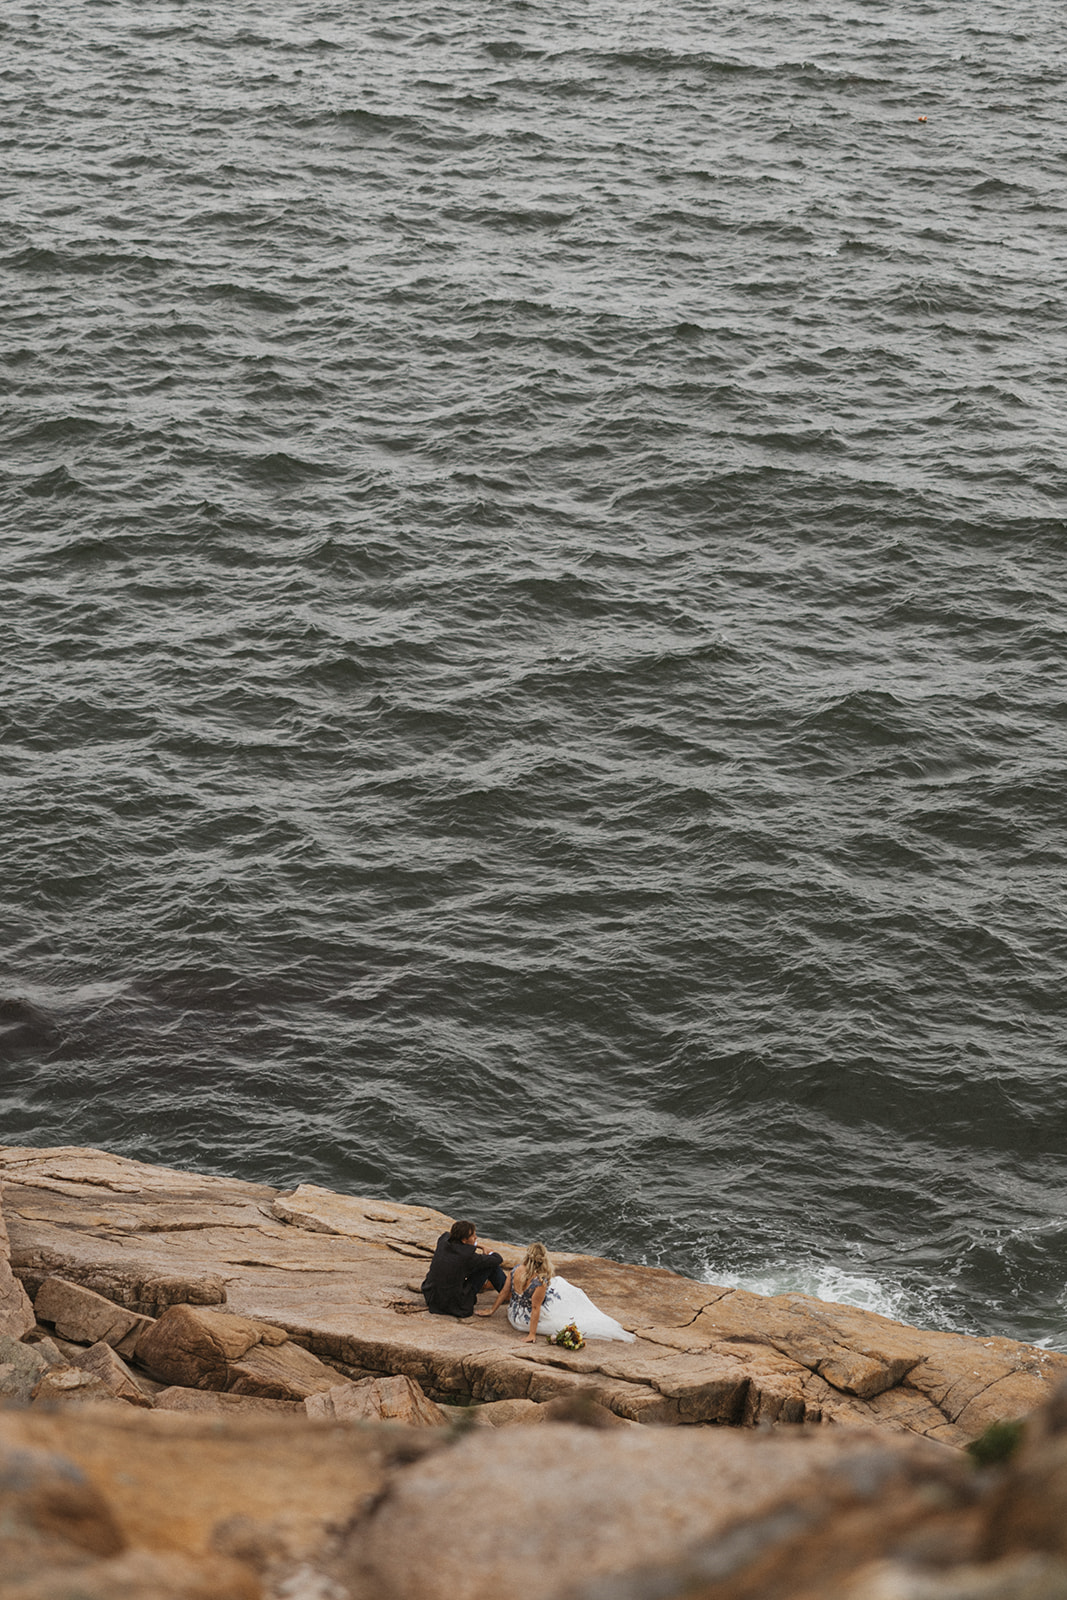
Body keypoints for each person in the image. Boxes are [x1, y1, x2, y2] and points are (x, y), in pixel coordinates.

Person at [477, 1240, 635, 1343]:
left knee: (558, 1283)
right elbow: (535, 1308)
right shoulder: (541, 1281)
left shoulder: (516, 1269)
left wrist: (492, 1310)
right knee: (563, 1288)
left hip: (514, 1313)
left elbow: (504, 1292)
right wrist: (532, 1334)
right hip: (524, 1321)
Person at [421, 1219, 507, 1319]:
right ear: (464, 1240)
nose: (476, 1237)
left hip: (432, 1298)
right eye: (473, 1236)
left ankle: (493, 1286)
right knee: (491, 1265)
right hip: (455, 1305)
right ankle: (506, 1292)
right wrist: (488, 1250)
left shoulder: (443, 1241)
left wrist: (479, 1245)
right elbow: (497, 1259)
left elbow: (448, 1234)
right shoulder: (467, 1256)